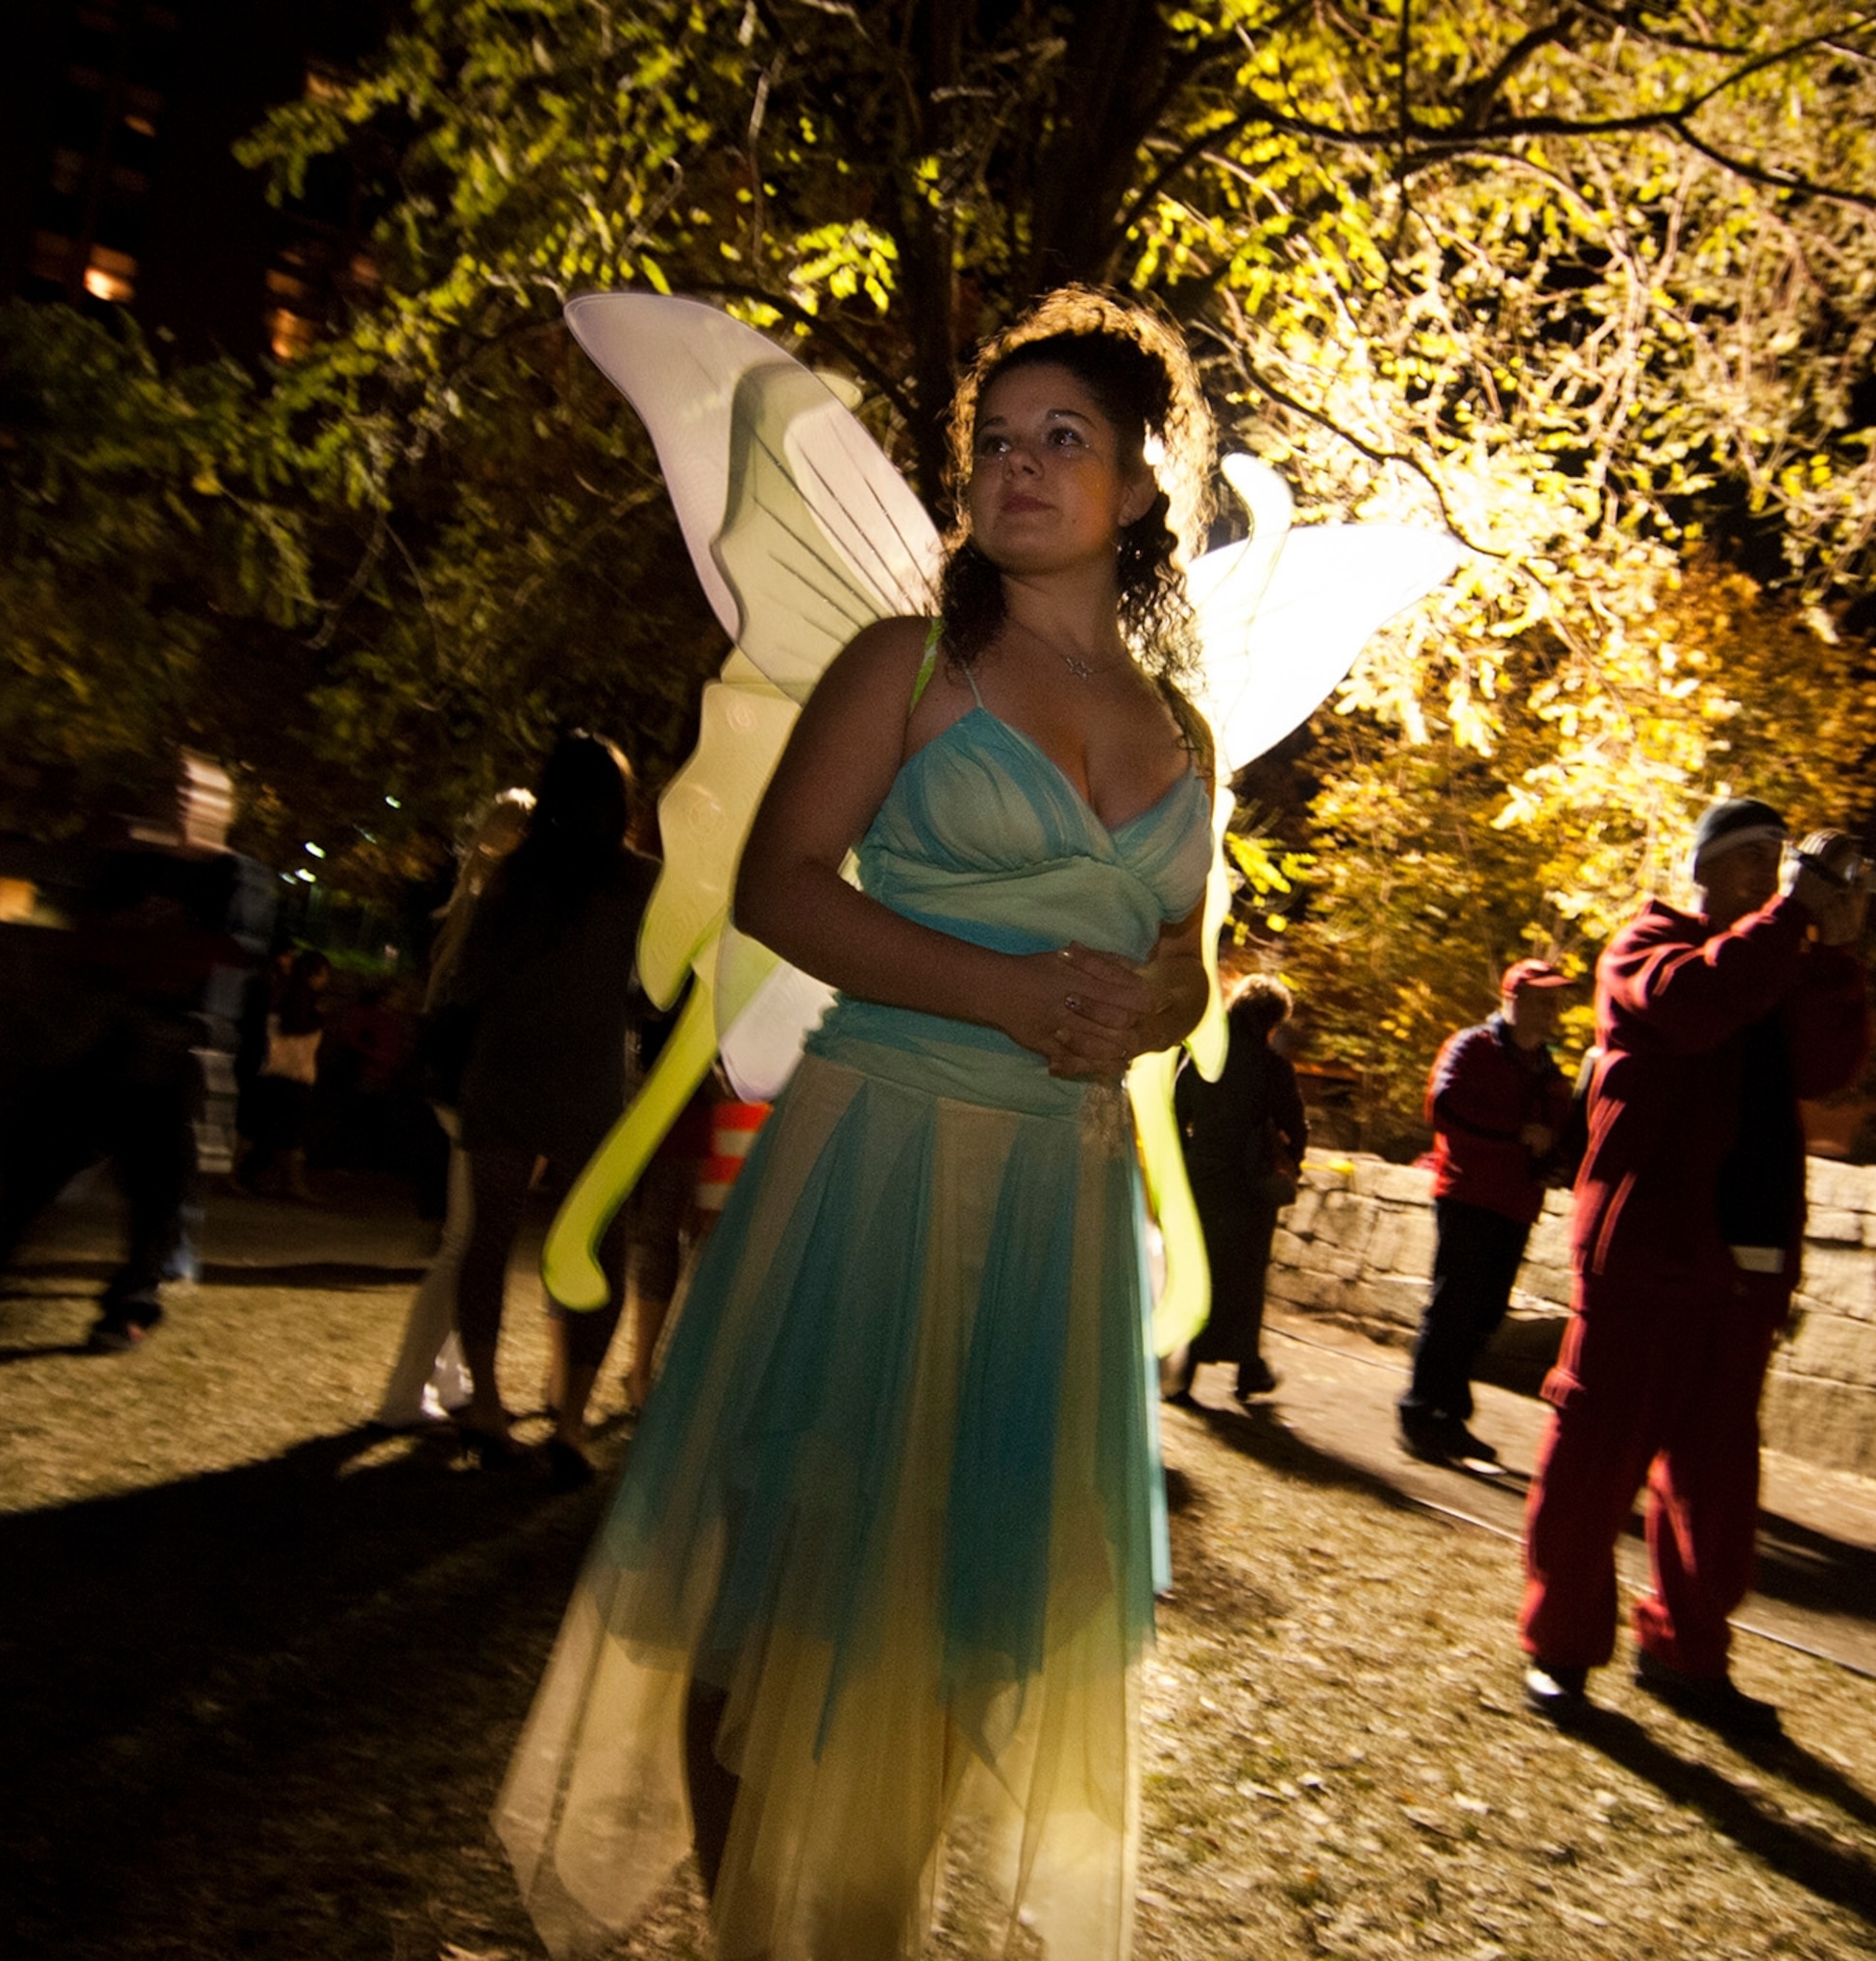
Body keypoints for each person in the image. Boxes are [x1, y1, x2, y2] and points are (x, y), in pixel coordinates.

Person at [494, 289, 1216, 1961]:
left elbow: (1189, 961)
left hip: (1057, 1202)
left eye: (1064, 440)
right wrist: (1008, 996)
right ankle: (751, 1930)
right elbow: (780, 890)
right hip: (880, 1154)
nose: (1017, 469)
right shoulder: (906, 664)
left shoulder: (1182, 732)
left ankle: (870, 1935)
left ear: (1140, 485)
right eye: (994, 440)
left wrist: (1155, 1010)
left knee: (977, 1616)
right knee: (777, 1586)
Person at [1518, 798, 1871, 1735]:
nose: (1767, 876)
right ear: (1701, 869)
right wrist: (1793, 918)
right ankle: (1559, 1650)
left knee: (1714, 1488)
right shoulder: (1647, 948)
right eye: (1749, 859)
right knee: (1593, 1466)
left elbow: (1830, 1068)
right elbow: (1692, 1008)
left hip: (1745, 1266)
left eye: (1780, 862)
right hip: (1642, 1257)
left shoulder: (1776, 961)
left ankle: (1687, 1653)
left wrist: (1834, 948)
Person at [0, 754, 271, 1351]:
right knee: (48, 1154)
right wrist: (141, 956)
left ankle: (130, 1305)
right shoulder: (129, 866)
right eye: (173, 786)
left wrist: (144, 954)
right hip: (105, 1041)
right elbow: (86, 943)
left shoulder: (234, 877)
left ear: (223, 806)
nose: (182, 797)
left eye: (196, 789)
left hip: (177, 1051)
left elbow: (220, 955)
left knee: (159, 1183)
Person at [428, 733, 655, 1473]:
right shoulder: (639, 882)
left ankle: (488, 1405)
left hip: (506, 1068)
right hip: (588, 1080)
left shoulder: (514, 877)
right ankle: (571, 1420)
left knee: (488, 1239)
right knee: (600, 1243)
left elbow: (469, 979)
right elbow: (655, 992)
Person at [375, 788, 534, 1432]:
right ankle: (405, 1392)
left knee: (467, 1241)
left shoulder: (466, 908)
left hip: (457, 1089)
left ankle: (448, 1378)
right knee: (466, 1246)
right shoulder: (502, 910)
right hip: (480, 1092)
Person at [1398, 958, 1581, 1465]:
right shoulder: (1472, 1047)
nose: (1553, 1010)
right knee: (1453, 1305)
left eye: (1556, 1001)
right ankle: (1421, 1411)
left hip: (1516, 1204)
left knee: (1486, 1314)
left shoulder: (1550, 1074)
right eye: (1544, 1000)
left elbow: (1561, 1138)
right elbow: (1445, 1107)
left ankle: (1448, 1415)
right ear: (1514, 999)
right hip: (1467, 1195)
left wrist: (1555, 1163)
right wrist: (1516, 1134)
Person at [1163, 971, 1309, 1403]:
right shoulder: (1272, 1068)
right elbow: (1293, 1127)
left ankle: (1186, 1377)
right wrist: (1285, 1159)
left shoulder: (1203, 1056)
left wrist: (1188, 1155)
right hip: (1247, 1189)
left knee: (1196, 1272)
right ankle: (1248, 1369)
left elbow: (1176, 1108)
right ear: (1270, 1020)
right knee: (1242, 1281)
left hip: (1200, 1179)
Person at [234, 948, 329, 1198]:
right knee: (283, 1131)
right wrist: (320, 1018)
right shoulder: (299, 998)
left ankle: (254, 1176)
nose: (325, 980)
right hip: (290, 1072)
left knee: (262, 1128)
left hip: (279, 1070)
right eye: (322, 974)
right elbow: (294, 1032)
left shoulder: (284, 992)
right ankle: (288, 1184)